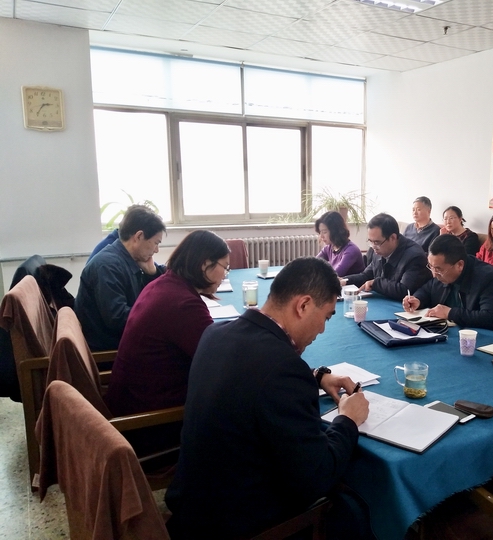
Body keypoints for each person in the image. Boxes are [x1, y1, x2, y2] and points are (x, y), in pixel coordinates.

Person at [165, 258, 371, 539]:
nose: (322, 330)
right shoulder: (283, 370)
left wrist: (315, 376)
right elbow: (317, 477)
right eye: (325, 317)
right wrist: (347, 419)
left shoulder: (216, 333)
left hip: (192, 505)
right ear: (303, 305)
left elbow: (250, 376)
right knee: (354, 507)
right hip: (237, 524)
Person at [105, 230, 230, 419]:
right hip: (149, 418)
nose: (225, 276)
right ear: (205, 263)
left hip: (130, 399)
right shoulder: (184, 305)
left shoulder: (164, 284)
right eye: (225, 267)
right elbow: (219, 362)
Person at [74, 204, 166, 351]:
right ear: (139, 236)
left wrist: (152, 273)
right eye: (156, 243)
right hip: (109, 351)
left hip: (120, 342)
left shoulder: (128, 258)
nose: (156, 250)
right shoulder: (107, 265)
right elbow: (118, 318)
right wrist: (160, 317)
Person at [403, 235, 493, 337]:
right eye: (431, 266)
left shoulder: (489, 278)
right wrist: (418, 299)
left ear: (459, 265)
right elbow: (427, 289)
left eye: (438, 269)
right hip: (460, 333)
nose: (434, 274)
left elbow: (491, 318)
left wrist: (450, 313)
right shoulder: (442, 272)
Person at [345, 213, 432, 300]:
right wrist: (344, 281)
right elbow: (366, 276)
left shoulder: (415, 256)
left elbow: (405, 291)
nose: (373, 247)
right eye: (370, 241)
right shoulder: (377, 250)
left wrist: (376, 283)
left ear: (393, 238)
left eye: (376, 242)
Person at [315, 210, 365, 276]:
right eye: (320, 232)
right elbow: (313, 263)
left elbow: (336, 274)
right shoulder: (329, 248)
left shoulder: (351, 250)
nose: (321, 236)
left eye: (324, 232)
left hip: (351, 283)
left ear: (335, 231)